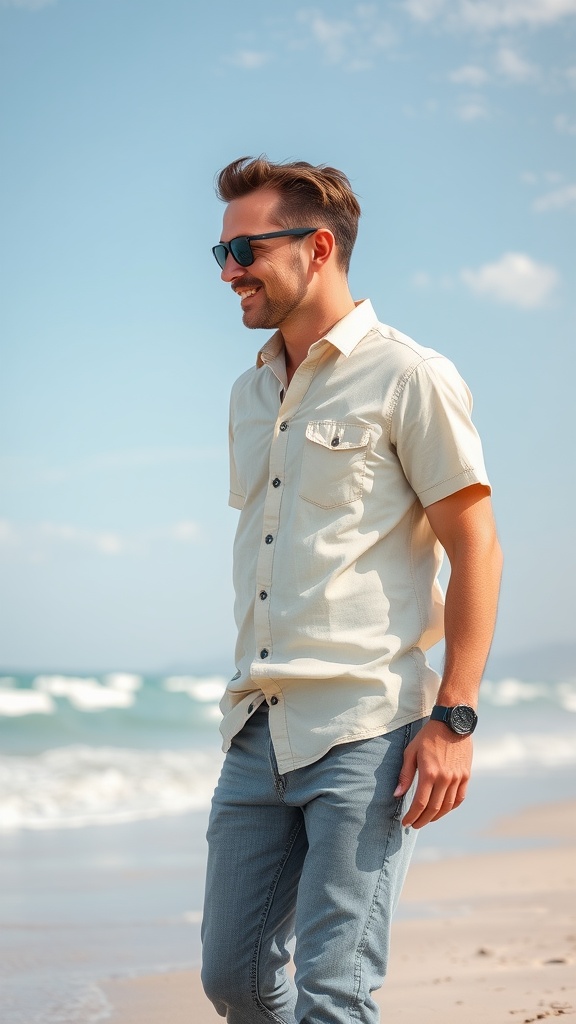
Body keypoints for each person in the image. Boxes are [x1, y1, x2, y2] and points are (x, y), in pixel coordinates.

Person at [201, 156, 503, 1024]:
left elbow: (475, 547)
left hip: (368, 730)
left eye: (245, 250)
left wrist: (455, 717)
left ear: (318, 246)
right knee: (234, 979)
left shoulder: (410, 375)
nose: (229, 273)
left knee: (337, 993)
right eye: (219, 253)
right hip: (256, 727)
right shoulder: (250, 392)